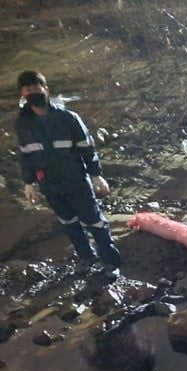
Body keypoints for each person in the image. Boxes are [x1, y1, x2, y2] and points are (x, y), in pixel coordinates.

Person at [15, 70, 121, 278]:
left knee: (94, 221)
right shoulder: (23, 124)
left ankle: (110, 262)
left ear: (46, 89)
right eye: (27, 89)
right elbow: (26, 155)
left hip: (76, 179)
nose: (32, 92)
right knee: (68, 222)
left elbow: (87, 148)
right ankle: (86, 257)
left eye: (36, 87)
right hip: (49, 183)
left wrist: (96, 175)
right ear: (22, 94)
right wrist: (29, 183)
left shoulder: (67, 118)